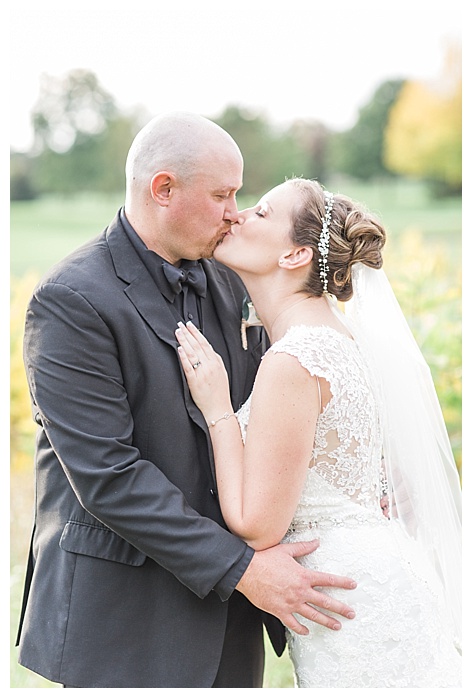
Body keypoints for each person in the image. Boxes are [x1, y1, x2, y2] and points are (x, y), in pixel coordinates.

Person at [17, 112, 358, 688]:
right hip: (125, 618)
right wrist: (243, 569)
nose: (234, 211)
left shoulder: (232, 278)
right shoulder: (69, 300)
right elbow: (109, 477)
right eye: (223, 194)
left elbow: (291, 408)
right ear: (164, 189)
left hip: (229, 621)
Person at [172, 178, 464, 687]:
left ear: (295, 255)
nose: (238, 216)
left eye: (261, 213)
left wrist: (218, 408)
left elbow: (257, 525)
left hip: (347, 602)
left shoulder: (294, 359)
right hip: (370, 578)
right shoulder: (342, 339)